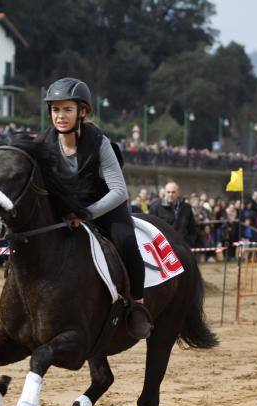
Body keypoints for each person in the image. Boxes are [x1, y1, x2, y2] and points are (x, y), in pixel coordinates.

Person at [41, 77, 151, 339]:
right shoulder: (44, 144)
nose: (60, 116)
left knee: (126, 242)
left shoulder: (99, 142)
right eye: (55, 109)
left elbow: (119, 191)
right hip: (68, 209)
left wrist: (87, 214)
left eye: (67, 109)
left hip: (105, 207)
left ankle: (137, 305)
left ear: (82, 111)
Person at [149, 181, 197, 246]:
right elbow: (150, 227)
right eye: (168, 192)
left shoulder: (186, 207)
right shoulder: (155, 207)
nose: (170, 194)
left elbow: (192, 227)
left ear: (178, 193)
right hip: (164, 247)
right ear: (165, 192)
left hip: (182, 246)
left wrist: (190, 242)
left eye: (173, 192)